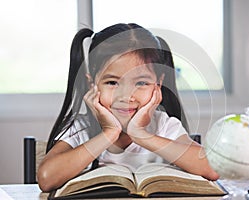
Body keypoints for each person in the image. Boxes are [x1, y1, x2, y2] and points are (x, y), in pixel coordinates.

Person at [37, 23, 219, 192]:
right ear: (92, 84)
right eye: (112, 82)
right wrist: (109, 133)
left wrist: (141, 135)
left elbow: (213, 168)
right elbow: (46, 179)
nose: (126, 96)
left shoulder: (164, 125)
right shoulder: (81, 128)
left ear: (158, 83)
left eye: (141, 82)